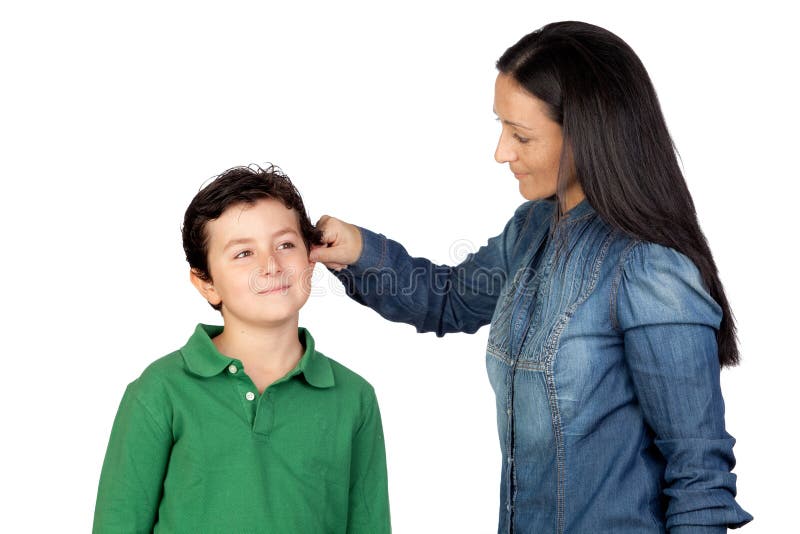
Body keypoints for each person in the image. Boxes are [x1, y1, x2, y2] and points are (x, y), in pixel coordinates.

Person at [310, 21, 752, 533]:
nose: (502, 152)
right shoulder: (531, 228)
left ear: (589, 134)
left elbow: (699, 478)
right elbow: (448, 299)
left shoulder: (651, 268)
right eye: (502, 127)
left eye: (521, 135)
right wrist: (358, 251)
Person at [93, 165, 391, 533]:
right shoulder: (159, 391)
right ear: (206, 283)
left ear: (311, 260)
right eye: (243, 253)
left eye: (285, 245)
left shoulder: (354, 397)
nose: (271, 265)